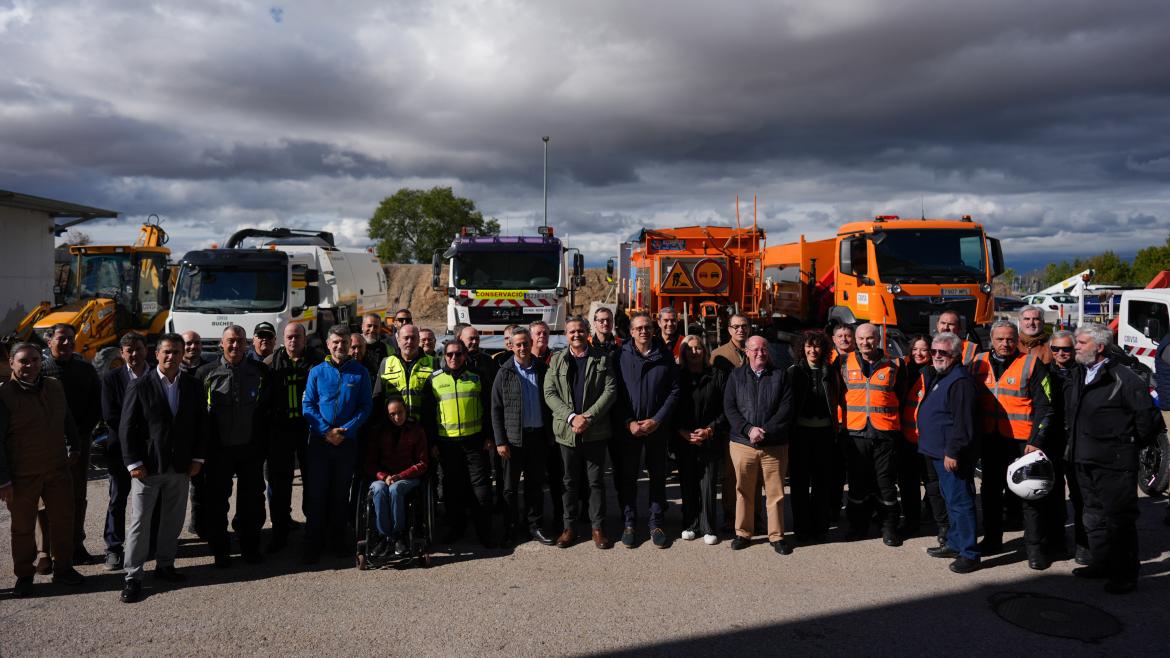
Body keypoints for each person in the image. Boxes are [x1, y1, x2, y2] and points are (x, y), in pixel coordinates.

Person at [1066, 324, 1156, 594]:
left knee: (1119, 520)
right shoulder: (1079, 373)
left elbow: (1148, 422)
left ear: (1100, 346)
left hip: (1115, 462)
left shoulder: (1124, 379)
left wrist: (1124, 445)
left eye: (1081, 342)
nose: (1076, 346)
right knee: (1093, 516)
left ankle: (1125, 574)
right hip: (1084, 459)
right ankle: (1102, 563)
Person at [117, 334, 206, 603]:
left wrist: (198, 459)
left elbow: (201, 423)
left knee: (172, 520)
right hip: (148, 468)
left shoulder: (192, 385)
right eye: (167, 351)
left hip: (180, 467)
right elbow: (126, 427)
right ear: (157, 353)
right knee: (139, 524)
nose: (172, 357)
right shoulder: (140, 385)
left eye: (177, 352)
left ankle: (165, 565)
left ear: (182, 355)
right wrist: (133, 463)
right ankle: (133, 576)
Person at [0, 343, 85, 597]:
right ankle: (25, 575)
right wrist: (3, 480)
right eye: (24, 361)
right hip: (22, 474)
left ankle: (64, 568)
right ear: (12, 363)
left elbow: (67, 419)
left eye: (35, 360)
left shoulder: (54, 386)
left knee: (63, 520)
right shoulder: (4, 395)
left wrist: (75, 446)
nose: (30, 366)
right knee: (23, 527)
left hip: (57, 469)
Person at [969, 320, 1055, 569]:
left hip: (1023, 443)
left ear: (1016, 339)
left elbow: (1045, 404)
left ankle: (1035, 549)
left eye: (1010, 339)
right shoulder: (977, 363)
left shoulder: (1031, 363)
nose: (1005, 344)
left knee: (1029, 494)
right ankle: (993, 540)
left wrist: (1036, 441)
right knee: (991, 492)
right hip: (991, 439)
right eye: (1000, 339)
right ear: (991, 340)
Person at [198, 325, 272, 567]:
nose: (235, 345)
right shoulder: (205, 374)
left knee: (250, 502)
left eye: (240, 341)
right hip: (218, 451)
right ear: (222, 343)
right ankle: (221, 550)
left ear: (247, 343)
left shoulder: (260, 372)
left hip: (250, 449)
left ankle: (250, 547)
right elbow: (197, 415)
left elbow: (266, 410)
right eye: (231, 341)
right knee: (217, 502)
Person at [302, 324, 373, 563]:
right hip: (320, 443)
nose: (340, 346)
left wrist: (347, 430)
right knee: (316, 494)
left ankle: (338, 542)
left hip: (346, 442)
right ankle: (313, 544)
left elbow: (365, 407)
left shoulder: (360, 372)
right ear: (328, 344)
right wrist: (325, 431)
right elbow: (308, 406)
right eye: (335, 342)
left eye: (344, 342)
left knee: (340, 494)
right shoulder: (317, 372)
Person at [544, 317, 617, 549]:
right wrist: (571, 417)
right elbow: (549, 392)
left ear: (587, 332)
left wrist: (588, 417)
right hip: (567, 431)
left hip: (595, 431)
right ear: (566, 335)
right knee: (569, 482)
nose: (576, 335)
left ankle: (597, 528)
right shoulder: (556, 360)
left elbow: (610, 389)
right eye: (571, 331)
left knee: (595, 482)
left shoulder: (602, 358)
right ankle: (570, 528)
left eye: (580, 331)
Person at [38, 324, 102, 565]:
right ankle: (45, 552)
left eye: (70, 339)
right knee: (45, 500)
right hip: (46, 444)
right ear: (49, 342)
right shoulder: (40, 369)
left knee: (77, 497)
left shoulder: (85, 369)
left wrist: (80, 435)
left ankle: (76, 546)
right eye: (61, 339)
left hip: (80, 443)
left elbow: (96, 405)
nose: (66, 344)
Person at [723, 335, 794, 554]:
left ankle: (776, 536)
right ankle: (743, 533)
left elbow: (786, 409)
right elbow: (730, 408)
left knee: (775, 492)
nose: (760, 353)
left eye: (763, 349)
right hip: (743, 444)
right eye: (755, 350)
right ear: (746, 352)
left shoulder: (780, 376)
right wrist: (748, 430)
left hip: (774, 445)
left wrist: (765, 431)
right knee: (743, 490)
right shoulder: (735, 376)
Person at [616, 312, 680, 549]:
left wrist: (658, 420)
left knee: (657, 477)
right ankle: (629, 523)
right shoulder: (620, 355)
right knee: (629, 478)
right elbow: (616, 392)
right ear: (631, 332)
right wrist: (628, 422)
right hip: (629, 429)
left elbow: (674, 391)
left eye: (647, 328)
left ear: (654, 331)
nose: (644, 331)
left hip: (656, 428)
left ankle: (656, 523)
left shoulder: (664, 356)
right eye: (639, 328)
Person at [421, 339, 494, 547]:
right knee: (452, 489)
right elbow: (427, 415)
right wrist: (432, 443)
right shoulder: (434, 379)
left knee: (481, 490)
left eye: (458, 354)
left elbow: (489, 408)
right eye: (450, 354)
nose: (454, 358)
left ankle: (484, 532)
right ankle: (456, 529)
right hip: (447, 445)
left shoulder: (477, 377)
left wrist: (489, 436)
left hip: (474, 443)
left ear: (465, 355)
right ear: (444, 356)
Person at [919, 332, 981, 574]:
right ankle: (955, 543)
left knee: (961, 503)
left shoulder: (960, 382)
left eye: (942, 353)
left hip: (951, 456)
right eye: (933, 352)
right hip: (937, 453)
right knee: (951, 500)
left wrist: (953, 452)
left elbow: (963, 424)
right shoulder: (942, 376)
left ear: (955, 355)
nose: (936, 356)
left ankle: (969, 553)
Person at [490, 327, 555, 546]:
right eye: (517, 344)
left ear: (531, 343)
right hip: (512, 441)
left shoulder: (542, 369)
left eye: (525, 343)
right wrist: (500, 441)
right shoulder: (504, 372)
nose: (522, 348)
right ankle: (510, 528)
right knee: (509, 488)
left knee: (535, 485)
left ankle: (535, 526)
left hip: (537, 437)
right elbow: (496, 409)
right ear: (511, 346)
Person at [840, 323, 904, 546]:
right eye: (861, 339)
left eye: (870, 338)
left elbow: (902, 398)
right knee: (857, 485)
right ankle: (858, 526)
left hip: (885, 433)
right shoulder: (843, 363)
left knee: (885, 483)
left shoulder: (895, 365)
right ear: (855, 341)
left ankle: (889, 528)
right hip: (855, 433)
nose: (865, 343)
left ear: (878, 340)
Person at [263, 322, 323, 553]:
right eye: (289, 337)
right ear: (282, 339)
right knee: (279, 485)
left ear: (304, 339)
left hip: (309, 430)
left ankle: (313, 532)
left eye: (297, 337)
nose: (292, 341)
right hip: (280, 431)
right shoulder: (270, 365)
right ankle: (279, 533)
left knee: (313, 482)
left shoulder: (318, 362)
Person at [100, 332, 150, 572]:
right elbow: (110, 415)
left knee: (152, 500)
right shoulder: (111, 379)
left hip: (152, 449)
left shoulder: (157, 375)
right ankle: (113, 548)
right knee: (118, 499)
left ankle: (148, 544)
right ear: (122, 353)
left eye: (138, 349)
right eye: (128, 350)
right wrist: (137, 428)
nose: (134, 354)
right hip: (120, 449)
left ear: (146, 350)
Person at [787, 330, 840, 544]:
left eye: (817, 346)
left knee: (821, 483)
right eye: (809, 346)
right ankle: (801, 529)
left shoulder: (830, 371)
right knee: (799, 484)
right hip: (800, 434)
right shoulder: (793, 372)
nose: (812, 350)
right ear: (802, 348)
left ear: (824, 349)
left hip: (825, 434)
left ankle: (820, 527)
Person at [675, 336, 727, 545]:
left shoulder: (716, 376)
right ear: (684, 353)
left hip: (709, 438)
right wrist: (683, 432)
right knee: (688, 482)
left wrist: (709, 430)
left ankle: (708, 526)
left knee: (708, 484)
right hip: (684, 438)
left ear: (705, 351)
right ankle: (690, 524)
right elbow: (672, 408)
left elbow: (726, 409)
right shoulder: (678, 377)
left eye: (698, 349)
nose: (694, 352)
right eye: (690, 349)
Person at [900, 334, 950, 545]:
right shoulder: (902, 371)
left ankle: (942, 525)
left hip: (929, 440)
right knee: (908, 482)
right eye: (915, 349)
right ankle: (911, 520)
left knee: (932, 484)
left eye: (924, 349)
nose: (919, 353)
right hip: (906, 438)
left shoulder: (936, 373)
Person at [364, 397, 428, 557]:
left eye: (400, 413)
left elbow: (423, 463)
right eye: (392, 414)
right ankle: (384, 536)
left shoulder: (416, 430)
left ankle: (399, 534)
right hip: (383, 477)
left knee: (395, 489)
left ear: (406, 411)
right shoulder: (378, 432)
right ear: (387, 415)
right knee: (378, 490)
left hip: (407, 476)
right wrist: (384, 476)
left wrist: (400, 476)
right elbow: (369, 464)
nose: (397, 417)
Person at [1047, 329, 1087, 563]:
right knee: (1053, 495)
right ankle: (1056, 540)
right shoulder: (1043, 372)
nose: (1061, 353)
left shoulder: (1083, 373)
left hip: (1077, 440)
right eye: (1056, 349)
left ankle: (1083, 544)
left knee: (1080, 494)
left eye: (1066, 349)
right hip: (1052, 441)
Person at [712, 314, 751, 530]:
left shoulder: (758, 350)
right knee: (731, 474)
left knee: (753, 475)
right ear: (728, 330)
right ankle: (730, 515)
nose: (740, 330)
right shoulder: (719, 355)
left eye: (744, 326)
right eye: (736, 327)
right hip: (729, 425)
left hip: (753, 423)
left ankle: (755, 515)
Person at [374, 323, 436, 423]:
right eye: (406, 338)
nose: (409, 341)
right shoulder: (386, 363)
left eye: (413, 338)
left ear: (418, 340)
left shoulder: (433, 363)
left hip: (423, 426)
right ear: (398, 340)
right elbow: (378, 397)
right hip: (394, 426)